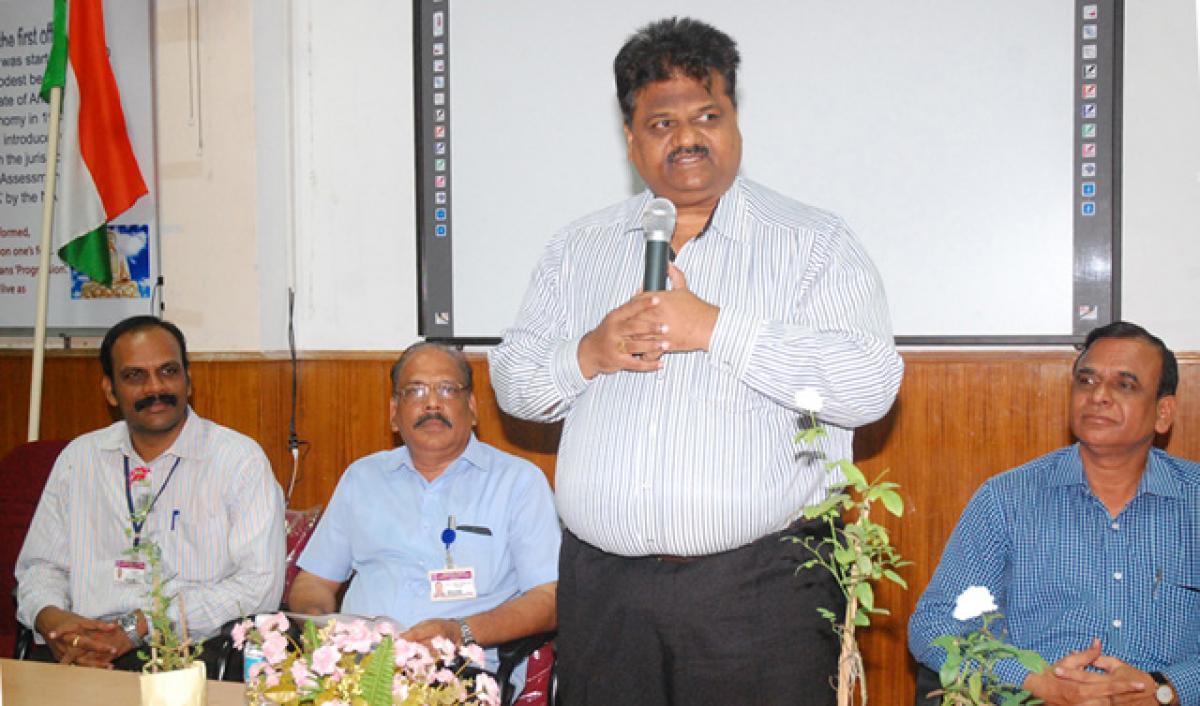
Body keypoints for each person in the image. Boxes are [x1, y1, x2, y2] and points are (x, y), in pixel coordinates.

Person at [488, 17, 903, 706]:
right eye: (661, 123)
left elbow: (869, 386)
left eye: (707, 115)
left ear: (736, 121)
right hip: (605, 593)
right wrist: (588, 354)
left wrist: (717, 329)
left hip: (762, 591)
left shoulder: (814, 243)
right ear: (631, 140)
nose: (686, 137)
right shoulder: (577, 249)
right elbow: (515, 384)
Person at [908, 321, 1198, 706]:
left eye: (1124, 385)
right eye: (1087, 381)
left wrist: (1168, 689)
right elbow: (937, 624)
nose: (1099, 397)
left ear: (1163, 413)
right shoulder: (1007, 499)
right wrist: (1036, 683)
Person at [16, 315, 286, 671]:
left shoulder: (238, 461)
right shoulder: (79, 459)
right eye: (134, 376)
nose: (155, 388)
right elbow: (40, 567)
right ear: (110, 390)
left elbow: (258, 585)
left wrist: (140, 626)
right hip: (80, 653)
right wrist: (55, 623)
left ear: (189, 382)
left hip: (188, 654)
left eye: (168, 371)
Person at [288, 342, 560, 680]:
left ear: (472, 408)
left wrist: (460, 631)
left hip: (458, 674)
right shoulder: (362, 478)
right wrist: (323, 630)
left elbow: (550, 599)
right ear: (393, 413)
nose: (432, 403)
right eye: (415, 391)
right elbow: (313, 581)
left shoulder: (518, 483)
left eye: (447, 389)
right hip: (357, 672)